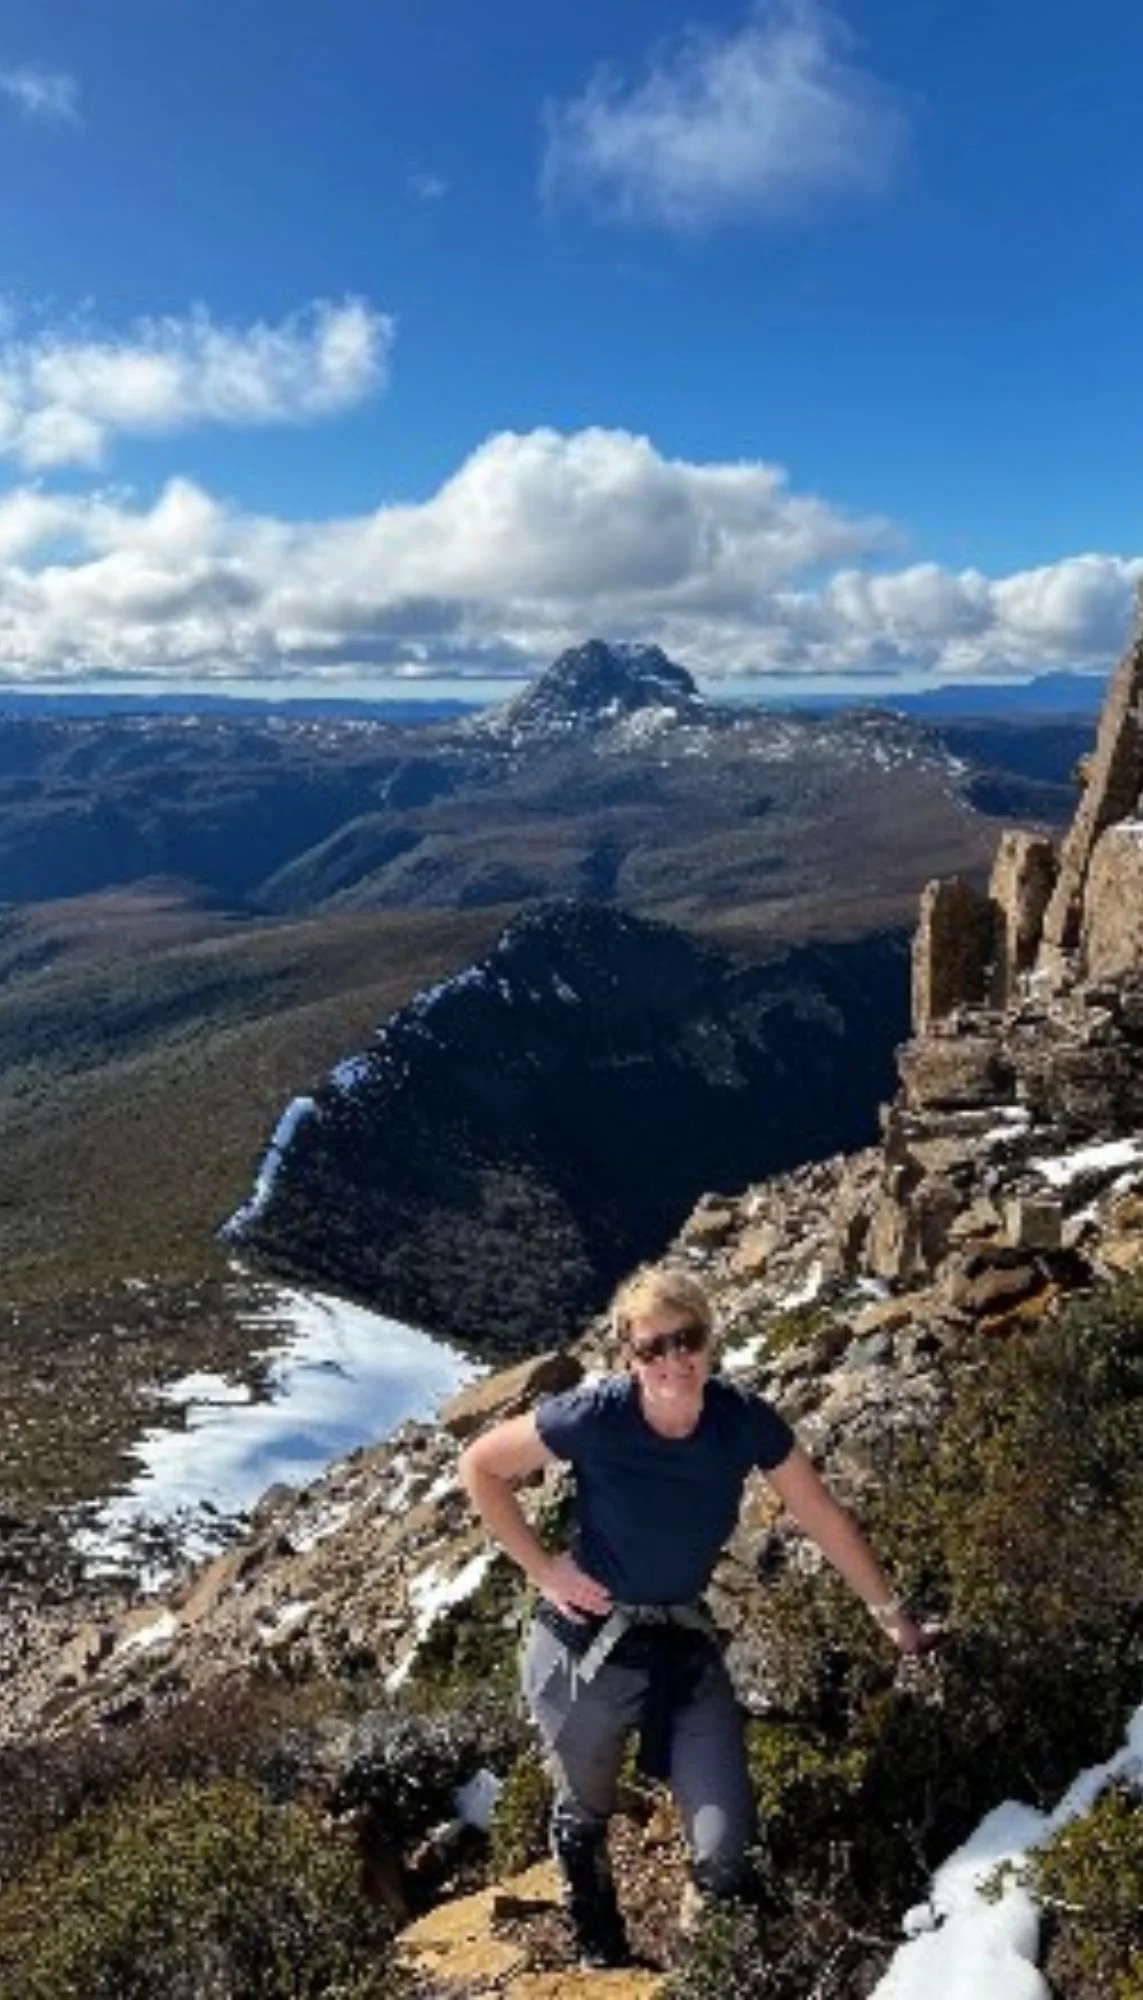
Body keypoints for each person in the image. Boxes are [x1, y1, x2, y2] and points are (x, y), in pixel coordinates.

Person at [458, 1262, 937, 1968]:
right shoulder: (596, 1415)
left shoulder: (740, 1420)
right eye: (651, 1348)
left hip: (679, 1643)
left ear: (710, 1341)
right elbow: (480, 1466)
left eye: (685, 1341)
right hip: (581, 1649)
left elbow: (822, 1517)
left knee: (726, 1847)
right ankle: (599, 1942)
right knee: (585, 1809)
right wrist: (543, 1568)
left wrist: (892, 1617)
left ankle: (704, 1952)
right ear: (628, 1355)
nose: (671, 1362)